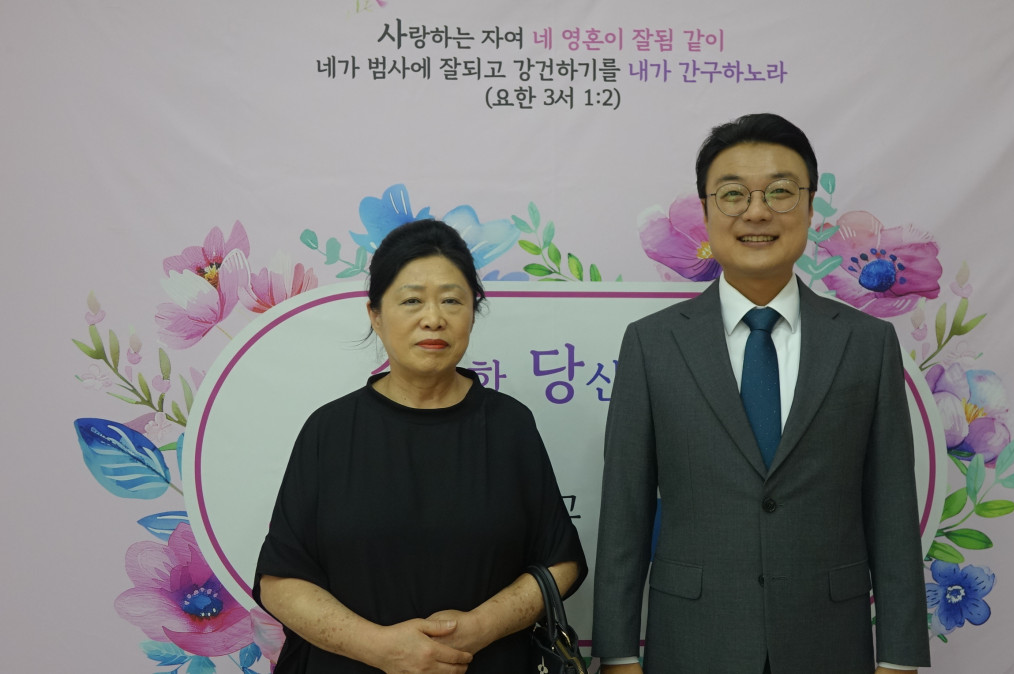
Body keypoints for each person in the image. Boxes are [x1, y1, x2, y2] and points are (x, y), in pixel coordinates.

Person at [592, 113, 930, 673]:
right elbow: (625, 511)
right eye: (732, 194)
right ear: (706, 212)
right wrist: (618, 653)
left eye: (779, 191)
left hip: (828, 646)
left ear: (809, 207)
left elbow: (892, 511)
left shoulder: (867, 344)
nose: (756, 212)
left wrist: (898, 659)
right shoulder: (653, 344)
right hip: (693, 644)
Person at [254, 219, 587, 673]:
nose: (434, 318)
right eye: (412, 300)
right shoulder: (328, 430)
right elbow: (279, 581)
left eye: (452, 300)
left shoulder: (510, 425)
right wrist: (380, 648)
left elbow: (561, 562)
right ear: (375, 315)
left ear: (473, 312)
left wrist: (479, 628)